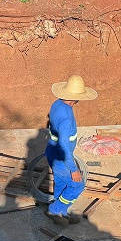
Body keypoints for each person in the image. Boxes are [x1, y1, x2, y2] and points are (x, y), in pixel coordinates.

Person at [45, 74, 98, 226]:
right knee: (77, 185)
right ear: (77, 98)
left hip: (52, 153)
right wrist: (73, 169)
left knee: (61, 183)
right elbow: (63, 145)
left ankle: (61, 212)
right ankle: (54, 210)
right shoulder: (67, 118)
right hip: (61, 157)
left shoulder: (56, 104)